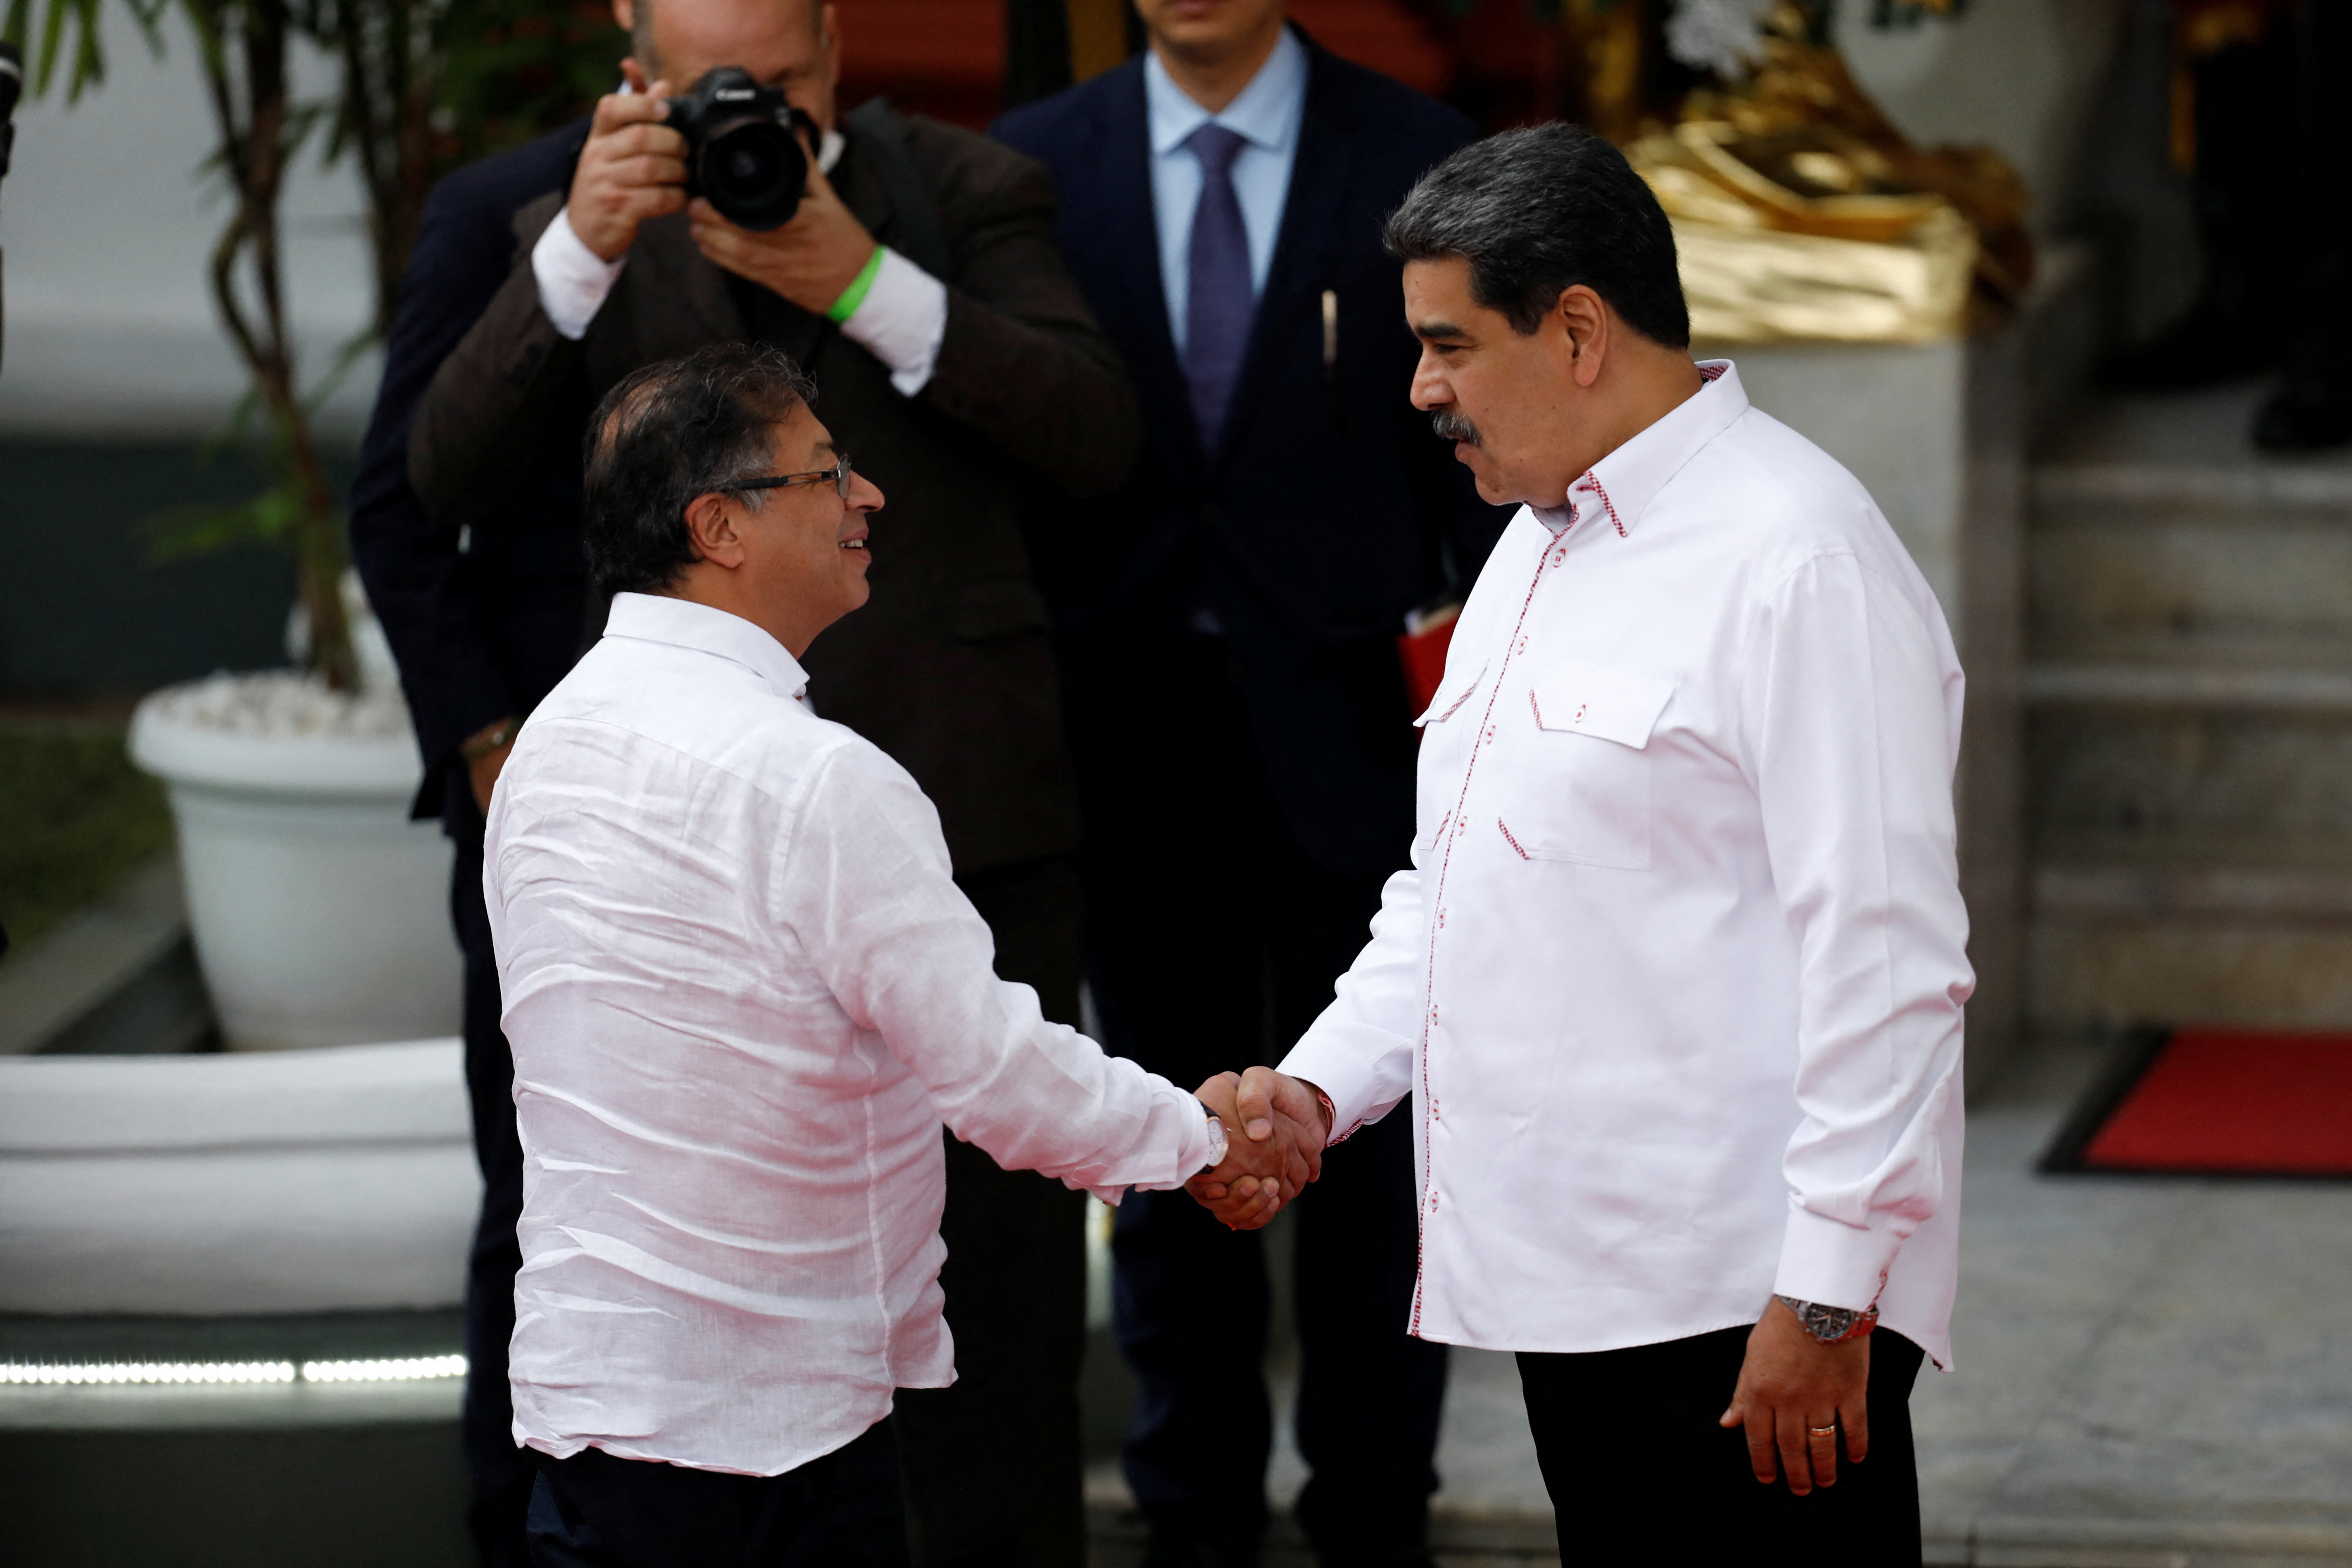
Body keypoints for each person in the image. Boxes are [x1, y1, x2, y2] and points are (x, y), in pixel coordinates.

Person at [354, 1, 1139, 1561]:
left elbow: (1097, 436)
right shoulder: (532, 210)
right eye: (710, 82)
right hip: (649, 848)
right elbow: (429, 480)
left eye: (780, 82)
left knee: (1002, 1295)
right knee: (580, 1235)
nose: (748, 114)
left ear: (838, 52)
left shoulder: (965, 191)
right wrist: (575, 256)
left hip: (957, 806)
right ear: (631, 58)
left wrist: (859, 280)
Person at [1225, 122, 1973, 1563]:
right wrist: (1319, 1088)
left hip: (1746, 1313)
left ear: (1577, 330)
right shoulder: (1535, 537)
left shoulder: (1798, 552)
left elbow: (1890, 965)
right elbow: (1455, 885)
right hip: (1586, 1300)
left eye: (1448, 344)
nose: (1421, 389)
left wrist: (1827, 1298)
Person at [490, 341, 1316, 1568]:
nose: (868, 496)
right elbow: (995, 1077)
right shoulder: (817, 780)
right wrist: (1199, 1140)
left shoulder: (547, 743)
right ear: (718, 526)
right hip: (776, 1441)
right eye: (826, 474)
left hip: (591, 1413)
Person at [992, 6, 1508, 1563]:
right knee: (1160, 1138)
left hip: (1360, 740)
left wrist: (1503, 712)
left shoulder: (1418, 152)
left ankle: (1376, 1515)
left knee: (1374, 1153)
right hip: (1127, 741)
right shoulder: (1032, 167)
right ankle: (1189, 1514)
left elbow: (1486, 479)